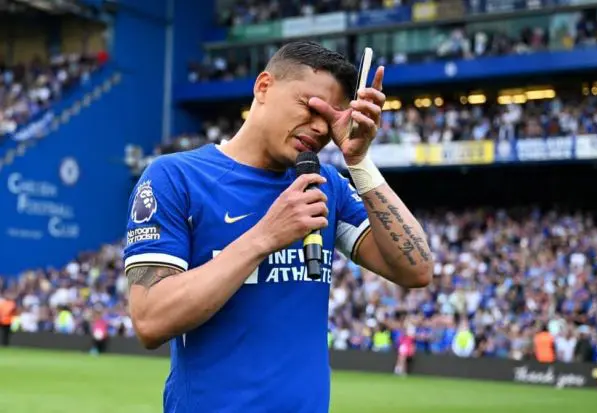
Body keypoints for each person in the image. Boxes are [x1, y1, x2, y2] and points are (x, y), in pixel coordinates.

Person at [123, 40, 434, 413]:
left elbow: (416, 269)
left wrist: (360, 163)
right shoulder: (174, 178)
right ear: (264, 86)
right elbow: (150, 320)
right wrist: (265, 237)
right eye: (309, 106)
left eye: (333, 116)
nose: (321, 128)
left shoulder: (325, 184)